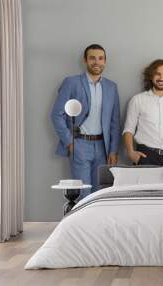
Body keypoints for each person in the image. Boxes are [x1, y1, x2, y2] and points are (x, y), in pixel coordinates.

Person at [51, 44, 120, 199]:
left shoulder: (111, 87)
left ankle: (97, 224)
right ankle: (82, 224)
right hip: (79, 144)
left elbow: (115, 121)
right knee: (84, 193)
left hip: (103, 147)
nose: (97, 62)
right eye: (92, 58)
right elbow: (56, 114)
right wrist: (69, 142)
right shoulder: (71, 82)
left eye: (100, 58)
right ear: (85, 60)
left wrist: (113, 150)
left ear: (105, 61)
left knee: (100, 192)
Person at [123, 59, 163, 165]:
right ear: (151, 76)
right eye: (158, 74)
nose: (161, 78)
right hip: (145, 156)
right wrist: (131, 153)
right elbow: (128, 129)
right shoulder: (138, 100)